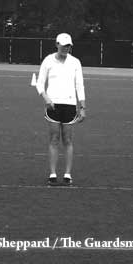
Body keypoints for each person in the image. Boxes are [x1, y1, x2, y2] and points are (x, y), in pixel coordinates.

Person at [36, 33, 86, 186]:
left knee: (68, 140)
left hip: (70, 105)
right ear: (57, 44)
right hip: (53, 105)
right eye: (64, 45)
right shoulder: (48, 60)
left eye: (69, 46)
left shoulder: (75, 62)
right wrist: (47, 99)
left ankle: (67, 174)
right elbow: (40, 83)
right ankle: (52, 173)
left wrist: (82, 106)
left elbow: (79, 85)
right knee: (54, 139)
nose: (66, 48)